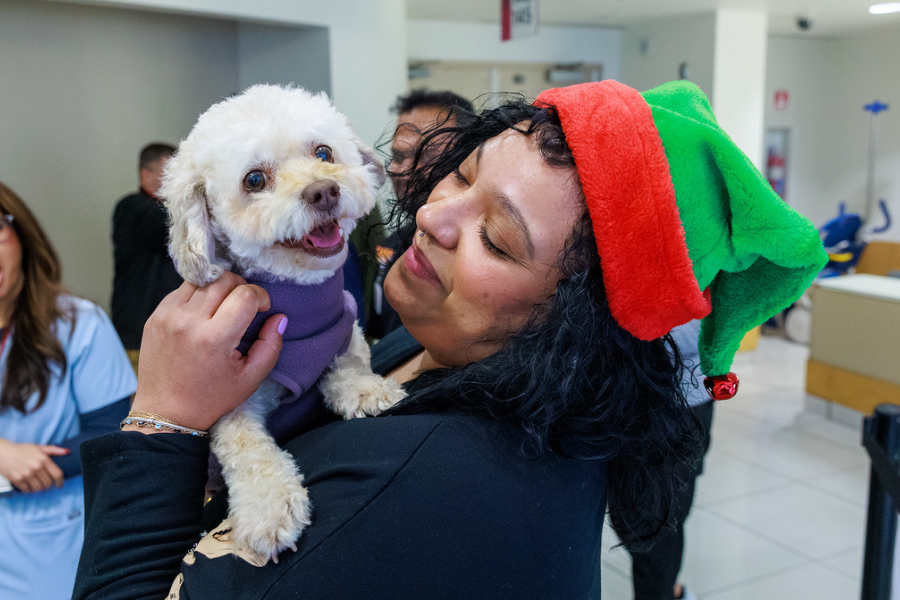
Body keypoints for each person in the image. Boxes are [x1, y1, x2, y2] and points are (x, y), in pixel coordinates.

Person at [73, 80, 826, 600]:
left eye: (497, 241)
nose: (436, 216)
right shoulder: (420, 344)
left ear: (575, 329)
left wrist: (161, 418)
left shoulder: (430, 487)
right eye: (459, 171)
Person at [0, 182, 137, 600]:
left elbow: (111, 430)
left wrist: (29, 463)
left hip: (50, 535)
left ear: (22, 236)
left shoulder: (79, 325)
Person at [366, 89, 474, 339]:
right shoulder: (389, 246)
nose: (403, 170)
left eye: (427, 155)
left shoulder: (471, 260)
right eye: (398, 155)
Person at [627, 320, 713, 600]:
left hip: (679, 398)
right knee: (630, 516)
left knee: (657, 525)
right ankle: (668, 589)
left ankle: (666, 591)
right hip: (611, 389)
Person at [111, 143, 183, 371]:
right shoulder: (131, 208)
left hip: (173, 333)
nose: (180, 179)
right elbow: (167, 221)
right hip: (139, 336)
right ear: (145, 174)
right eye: (172, 171)